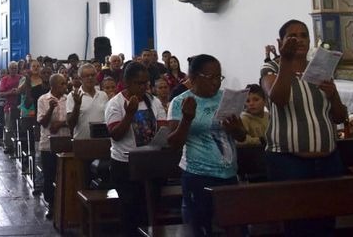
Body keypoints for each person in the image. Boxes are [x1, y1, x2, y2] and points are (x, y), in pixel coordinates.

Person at [261, 19, 347, 237]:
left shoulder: (321, 68)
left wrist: (333, 94)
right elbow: (277, 98)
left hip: (328, 160)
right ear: (280, 41)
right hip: (289, 162)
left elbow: (339, 116)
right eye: (293, 35)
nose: (299, 40)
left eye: (304, 35)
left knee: (327, 223)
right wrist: (286, 61)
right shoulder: (271, 67)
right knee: (297, 225)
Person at [168, 54, 247, 237]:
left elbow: (242, 136)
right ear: (194, 78)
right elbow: (173, 143)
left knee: (234, 227)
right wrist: (187, 119)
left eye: (219, 77)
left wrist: (236, 128)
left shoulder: (226, 99)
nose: (216, 83)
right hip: (198, 176)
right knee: (202, 229)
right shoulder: (180, 102)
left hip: (228, 174)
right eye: (210, 77)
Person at [105, 62, 166, 235]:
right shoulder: (115, 104)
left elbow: (162, 127)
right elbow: (115, 135)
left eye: (146, 83)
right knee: (130, 211)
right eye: (139, 83)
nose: (144, 87)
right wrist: (129, 114)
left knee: (150, 210)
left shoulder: (153, 101)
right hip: (125, 165)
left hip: (151, 163)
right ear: (127, 82)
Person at [36, 73, 70, 218]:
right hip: (48, 144)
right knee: (49, 176)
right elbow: (43, 122)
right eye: (62, 84)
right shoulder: (43, 99)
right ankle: (51, 204)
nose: (65, 86)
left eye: (65, 83)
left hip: (65, 142)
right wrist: (50, 109)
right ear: (54, 86)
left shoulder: (69, 99)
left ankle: (66, 204)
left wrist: (61, 123)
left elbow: (74, 119)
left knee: (65, 176)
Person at [66, 62, 109, 139]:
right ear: (80, 79)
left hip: (102, 141)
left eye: (93, 75)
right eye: (86, 76)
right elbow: (71, 124)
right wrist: (77, 105)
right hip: (82, 142)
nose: (90, 78)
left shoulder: (103, 95)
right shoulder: (73, 96)